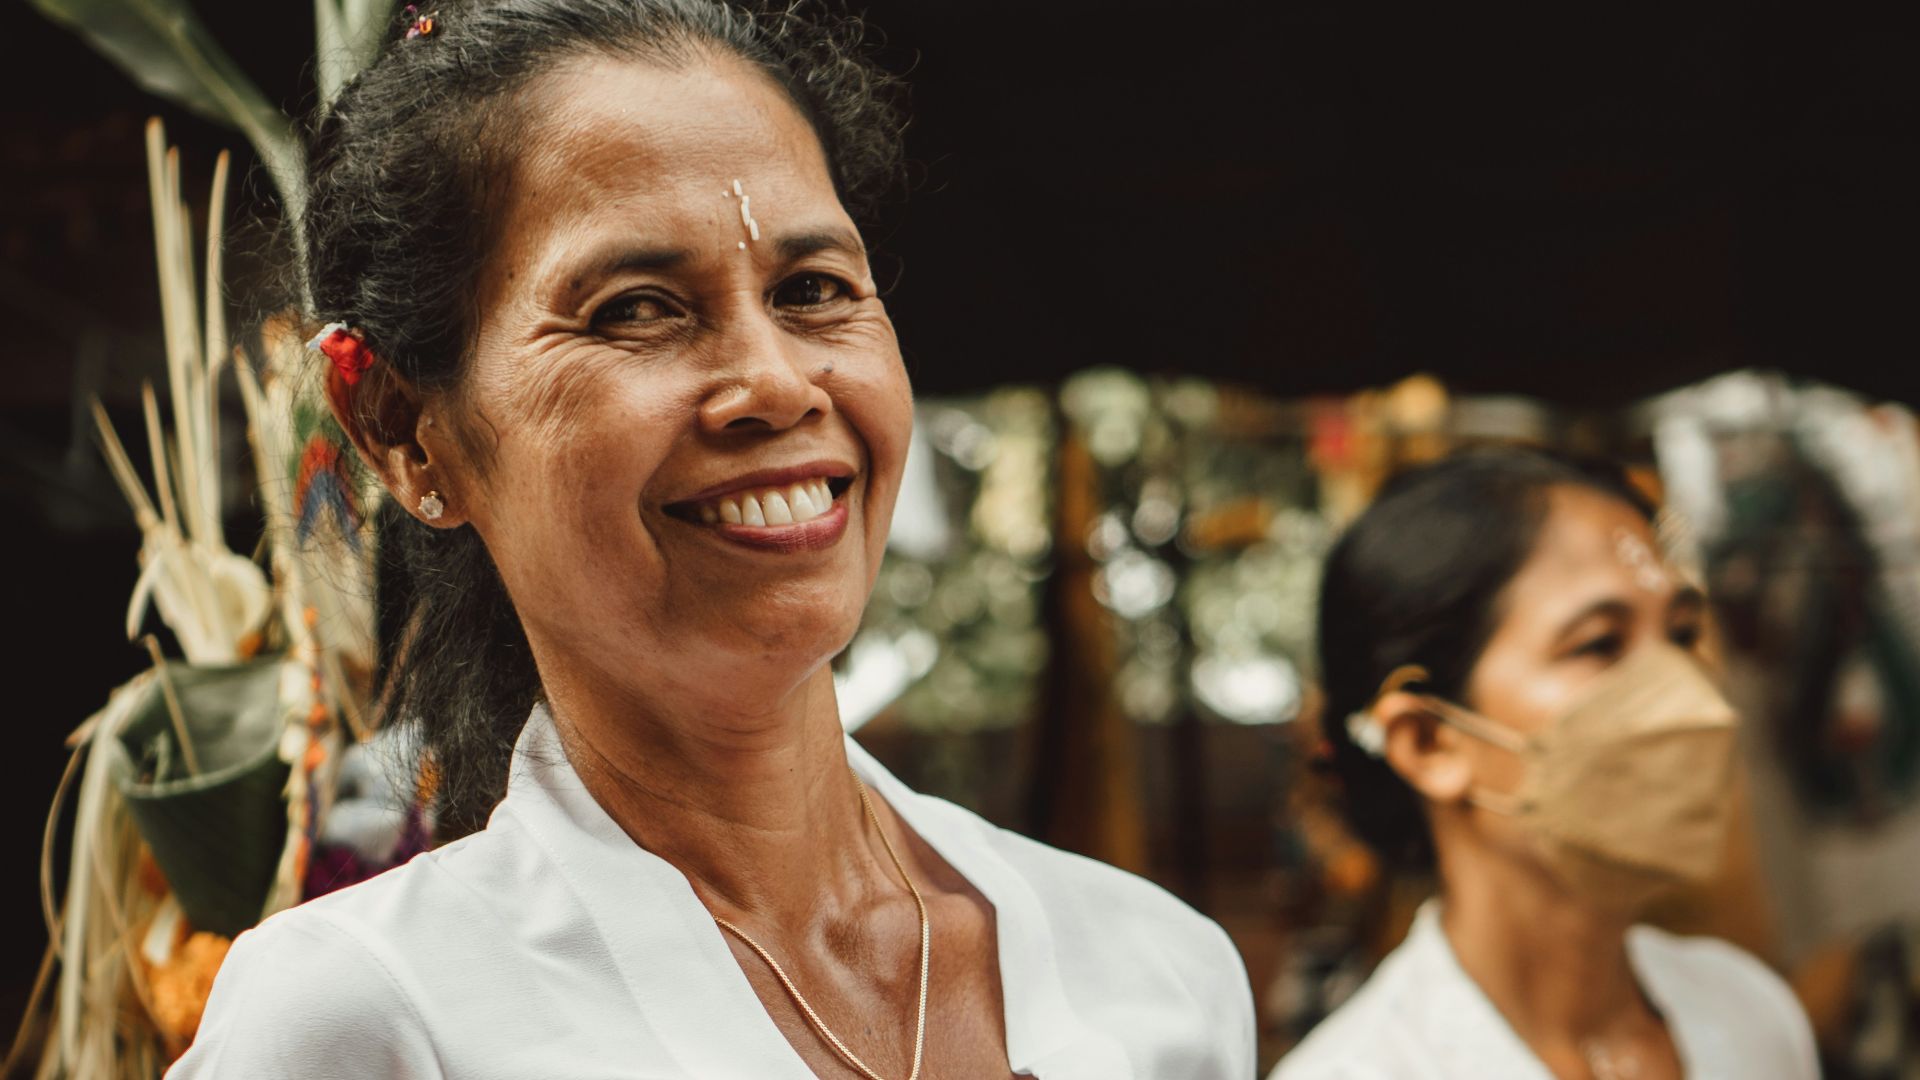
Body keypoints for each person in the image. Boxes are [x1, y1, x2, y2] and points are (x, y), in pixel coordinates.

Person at [170, 2, 1253, 1076]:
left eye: (815, 291)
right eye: (636, 309)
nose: (778, 384)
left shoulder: (1153, 975)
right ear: (404, 430)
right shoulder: (367, 1019)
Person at [1273, 449, 1819, 1080]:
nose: (1689, 696)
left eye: (1681, 633)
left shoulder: (1751, 1017)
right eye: (1599, 644)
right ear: (1428, 741)